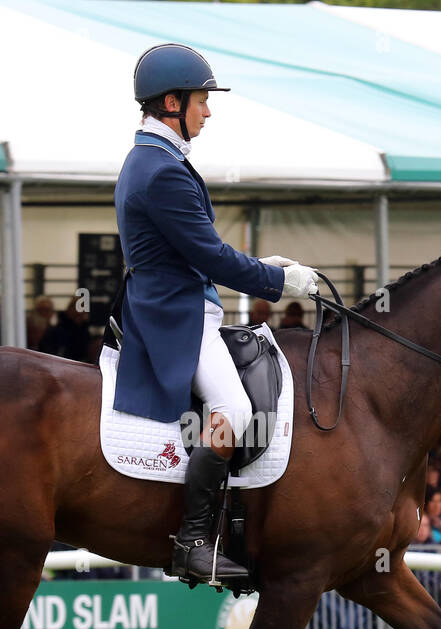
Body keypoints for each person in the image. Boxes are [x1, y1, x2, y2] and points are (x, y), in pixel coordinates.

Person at [115, 43, 318, 586]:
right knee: (234, 408)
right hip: (174, 316)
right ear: (172, 102)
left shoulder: (158, 161)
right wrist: (277, 280)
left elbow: (201, 247)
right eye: (202, 100)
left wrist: (260, 264)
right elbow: (210, 257)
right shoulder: (161, 171)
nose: (209, 110)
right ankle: (195, 542)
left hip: (180, 305)